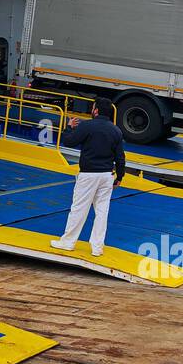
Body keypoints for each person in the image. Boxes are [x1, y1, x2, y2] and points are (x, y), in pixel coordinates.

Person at [51, 96, 126, 258]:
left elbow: (69, 142)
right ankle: (97, 247)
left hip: (88, 174)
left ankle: (68, 242)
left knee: (79, 208)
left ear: (96, 110)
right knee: (102, 211)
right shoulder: (116, 131)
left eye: (93, 108)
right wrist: (120, 176)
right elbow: (120, 157)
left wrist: (69, 128)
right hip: (107, 175)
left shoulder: (87, 126)